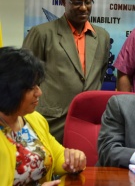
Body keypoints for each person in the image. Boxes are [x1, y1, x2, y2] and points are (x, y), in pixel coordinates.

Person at [22, 0, 110, 143]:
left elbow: (99, 75)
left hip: (88, 123)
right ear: (64, 2)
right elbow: (25, 79)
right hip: (51, 121)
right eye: (77, 2)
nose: (83, 8)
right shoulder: (42, 33)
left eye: (88, 2)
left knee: (85, 168)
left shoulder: (102, 36)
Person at [0, 47, 87, 186]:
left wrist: (74, 159)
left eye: (38, 85)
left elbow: (57, 156)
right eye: (31, 88)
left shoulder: (35, 119)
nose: (39, 92)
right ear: (8, 89)